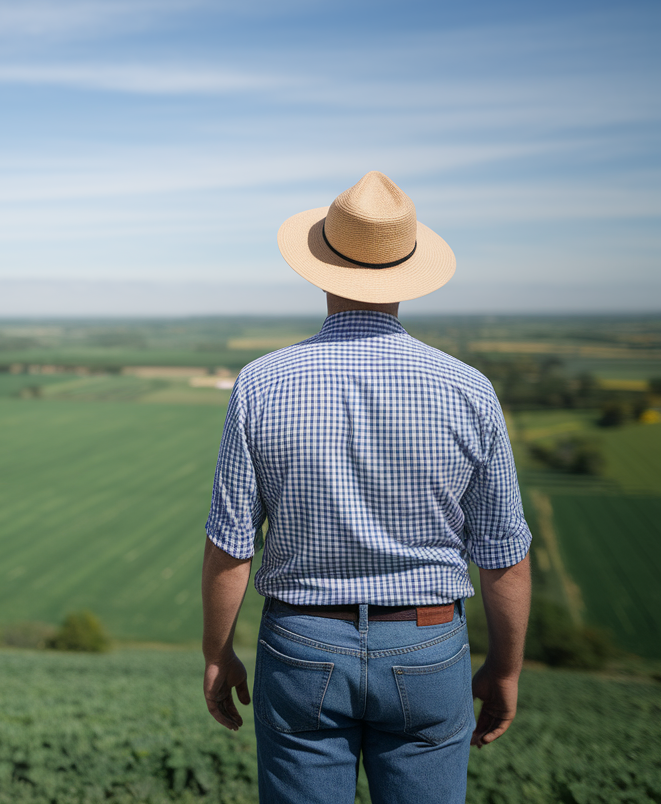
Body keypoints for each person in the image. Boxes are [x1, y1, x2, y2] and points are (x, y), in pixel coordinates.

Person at [200, 171, 532, 804]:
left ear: (322, 269)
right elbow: (504, 560)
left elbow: (231, 546)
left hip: (300, 643)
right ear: (408, 275)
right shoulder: (469, 390)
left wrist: (218, 653)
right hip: (429, 643)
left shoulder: (260, 384)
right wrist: (506, 667)